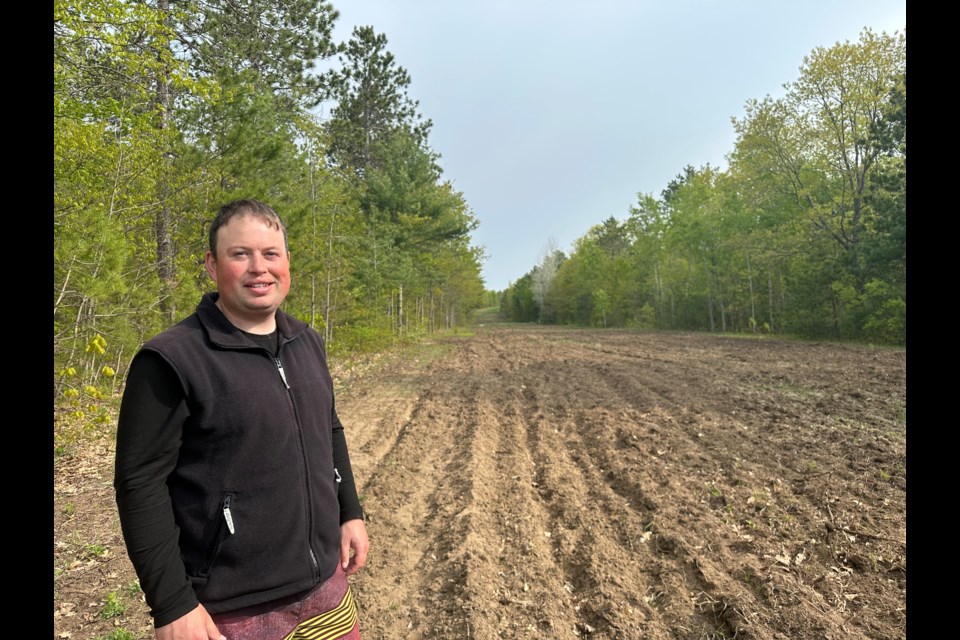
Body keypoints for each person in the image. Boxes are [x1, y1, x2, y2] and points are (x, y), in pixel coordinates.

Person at [114, 199, 369, 640]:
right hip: (235, 611)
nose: (259, 268)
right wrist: (173, 605)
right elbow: (139, 483)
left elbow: (329, 430)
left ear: (287, 261)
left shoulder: (307, 341)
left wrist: (350, 512)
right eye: (240, 254)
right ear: (213, 266)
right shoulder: (172, 359)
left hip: (327, 588)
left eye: (271, 253)